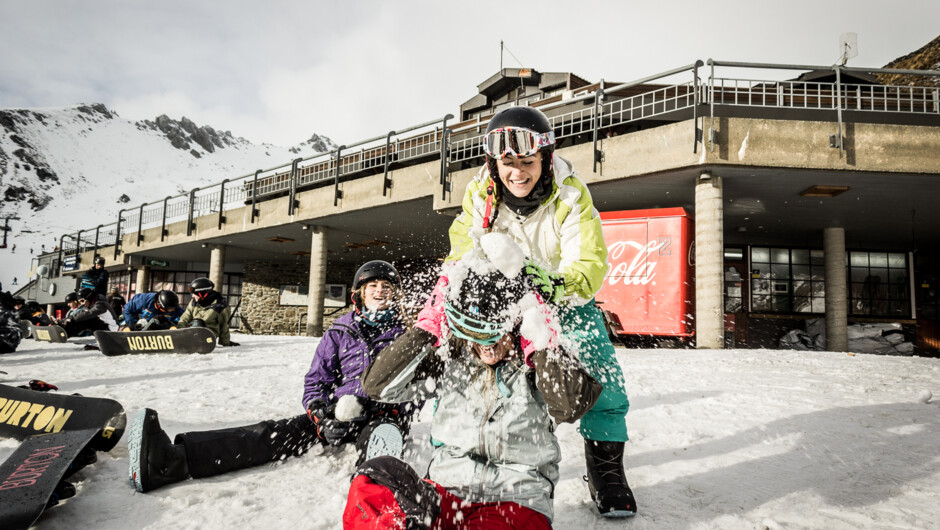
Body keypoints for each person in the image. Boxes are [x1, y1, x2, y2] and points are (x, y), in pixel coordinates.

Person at [442, 106, 636, 517]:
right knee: (465, 367)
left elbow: (588, 262)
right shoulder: (480, 194)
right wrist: (477, 281)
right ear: (494, 163)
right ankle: (461, 456)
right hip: (501, 305)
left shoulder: (569, 194)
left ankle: (606, 469)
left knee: (602, 374)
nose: (517, 172)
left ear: (545, 157)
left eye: (527, 162)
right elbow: (463, 245)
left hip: (562, 298)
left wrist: (549, 285)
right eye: (507, 163)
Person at [347, 260, 602, 529]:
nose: (486, 348)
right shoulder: (450, 360)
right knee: (376, 478)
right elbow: (378, 385)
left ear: (517, 326)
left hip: (515, 498)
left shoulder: (536, 367)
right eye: (476, 336)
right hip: (447, 490)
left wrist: (541, 341)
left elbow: (571, 405)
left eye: (495, 336)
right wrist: (427, 328)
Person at [127, 260, 418, 493]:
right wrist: (321, 416)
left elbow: (416, 389)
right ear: (360, 293)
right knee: (270, 433)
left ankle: (375, 489)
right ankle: (173, 460)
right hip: (338, 415)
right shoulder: (339, 332)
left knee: (382, 441)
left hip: (383, 414)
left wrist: (390, 411)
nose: (380, 290)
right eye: (373, 286)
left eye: (386, 286)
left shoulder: (407, 336)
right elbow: (317, 381)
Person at [176, 278, 237, 346]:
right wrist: (179, 330)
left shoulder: (220, 306)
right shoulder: (194, 301)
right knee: (193, 323)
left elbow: (224, 326)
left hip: (208, 335)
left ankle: (194, 342)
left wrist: (225, 342)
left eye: (194, 294)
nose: (192, 296)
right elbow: (186, 316)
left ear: (202, 293)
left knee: (198, 323)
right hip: (192, 330)